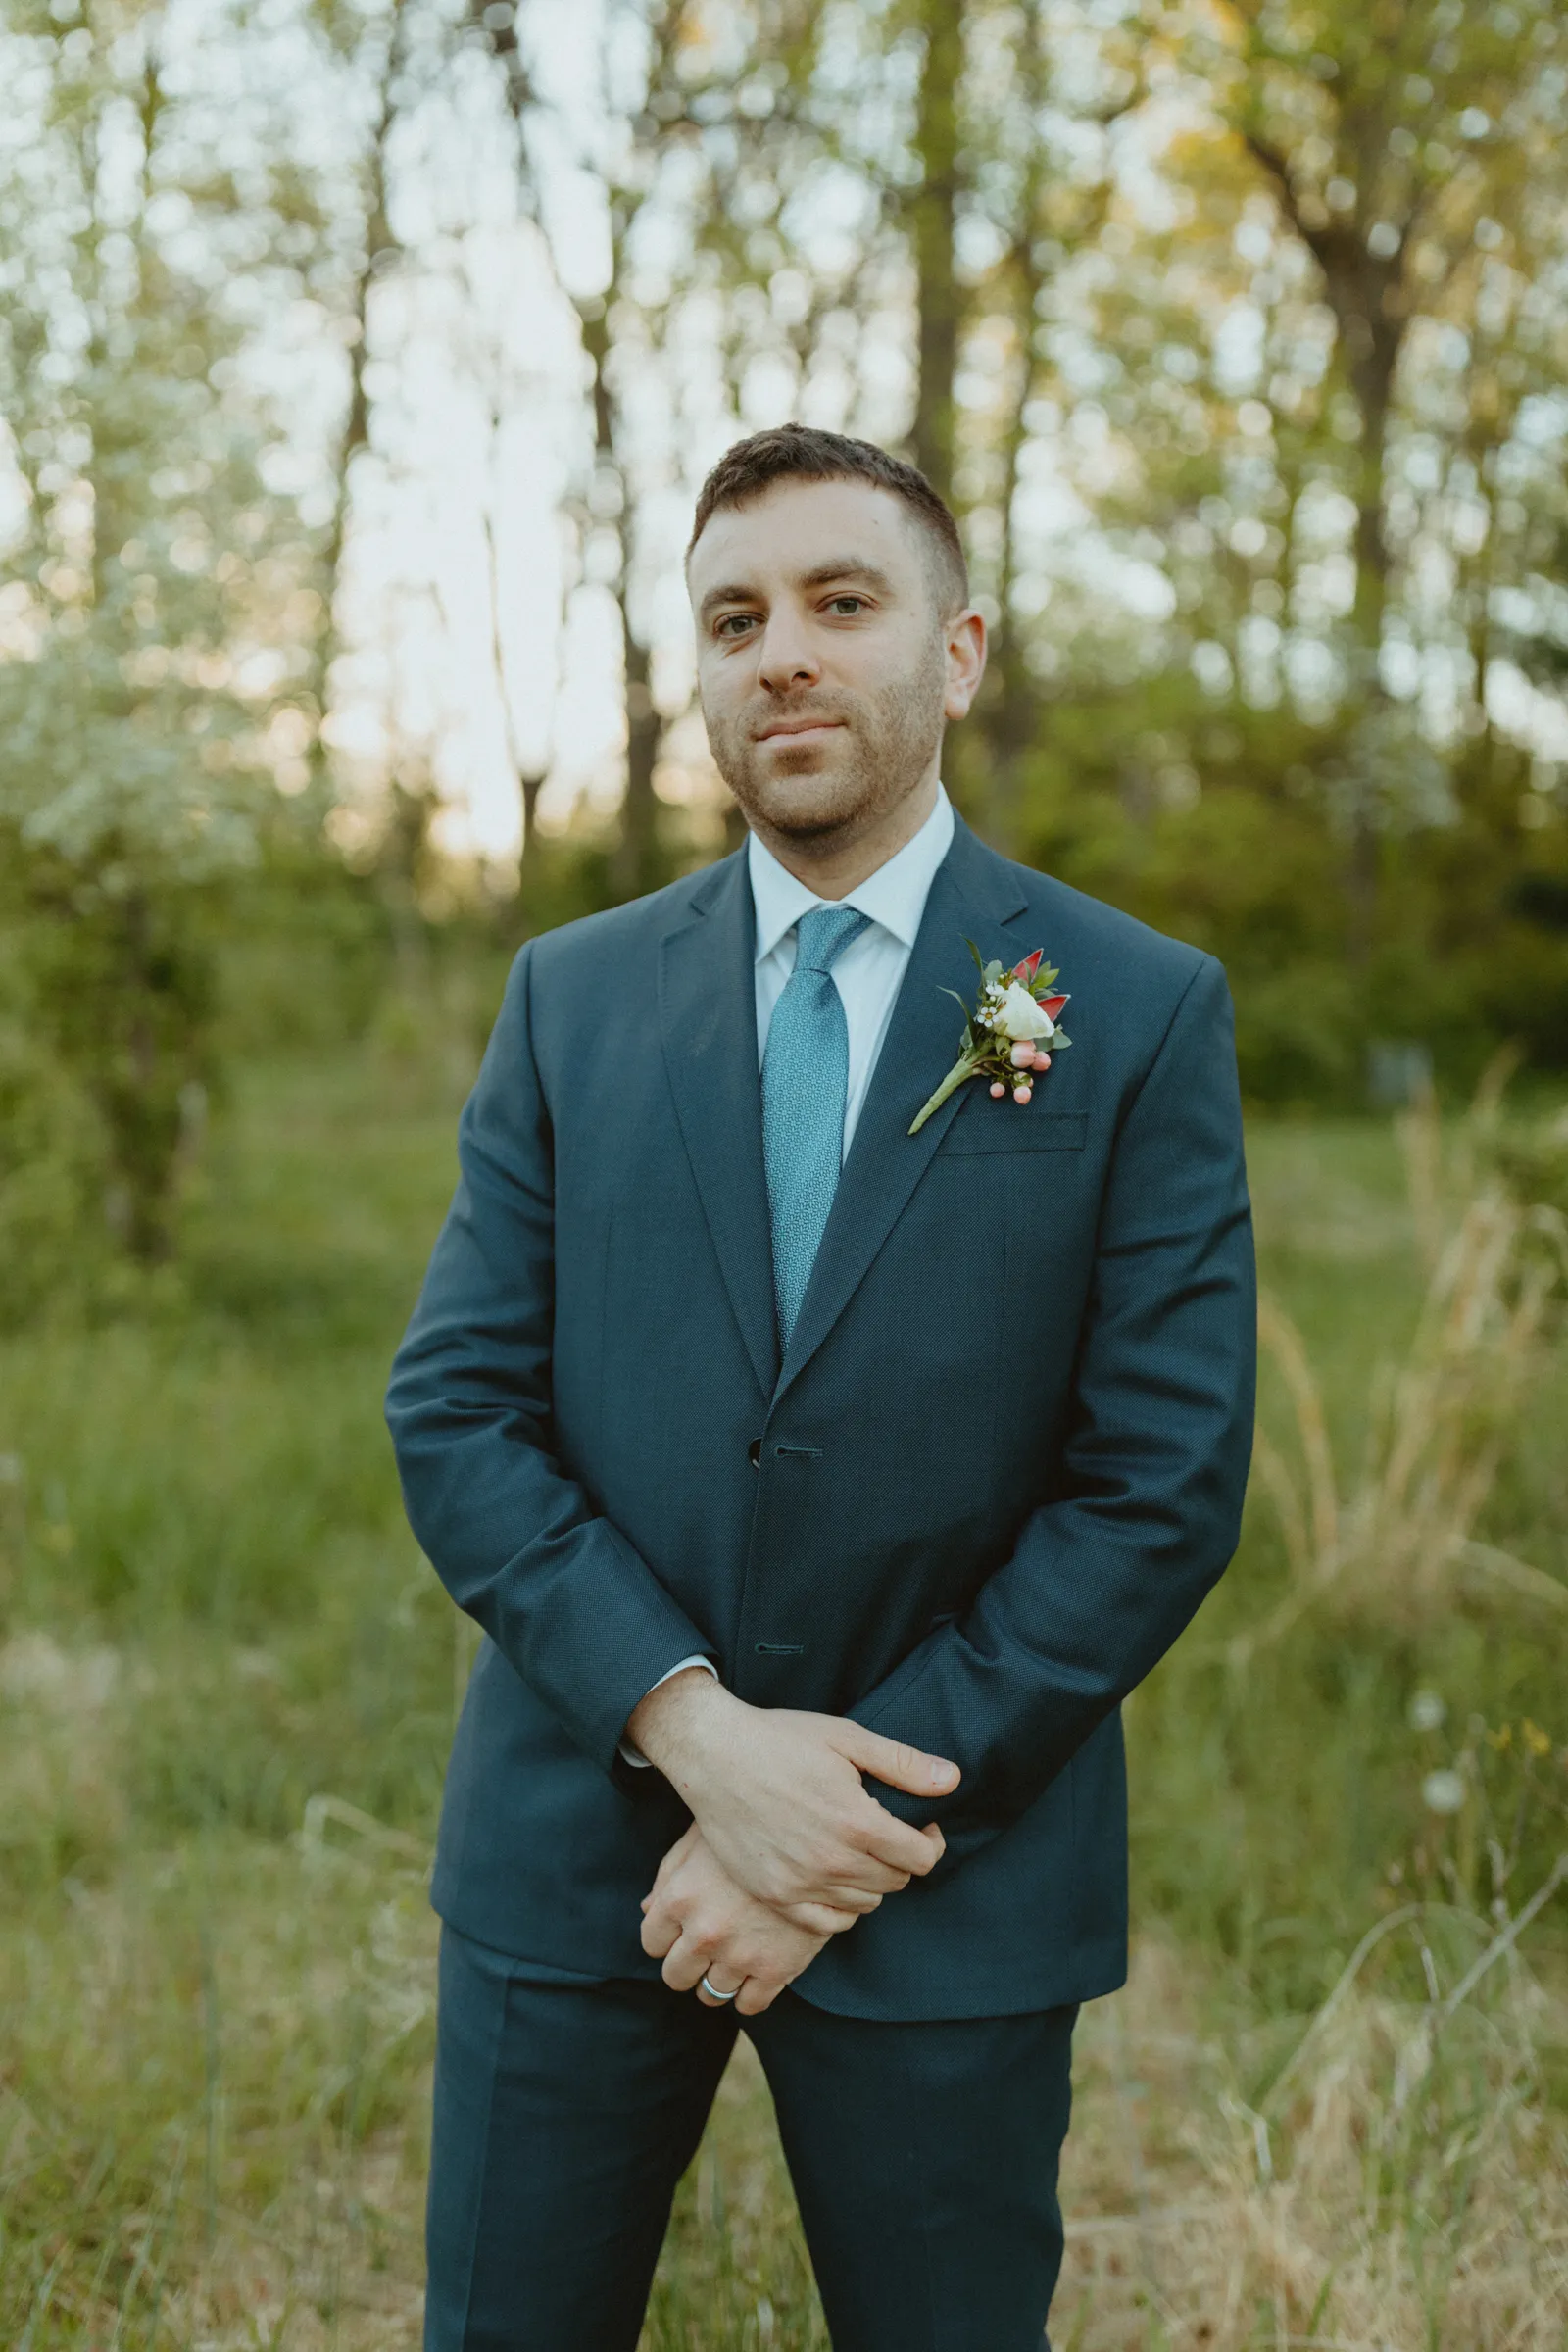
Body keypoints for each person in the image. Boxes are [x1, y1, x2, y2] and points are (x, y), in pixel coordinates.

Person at [385, 422, 1255, 2352]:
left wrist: (835, 1818)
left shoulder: (1124, 1010)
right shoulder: (570, 999)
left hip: (940, 1875)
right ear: (695, 675)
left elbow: (1159, 1479)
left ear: (951, 653)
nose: (778, 651)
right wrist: (701, 1740)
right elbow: (455, 1410)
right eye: (732, 618)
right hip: (578, 1848)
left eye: (837, 604)